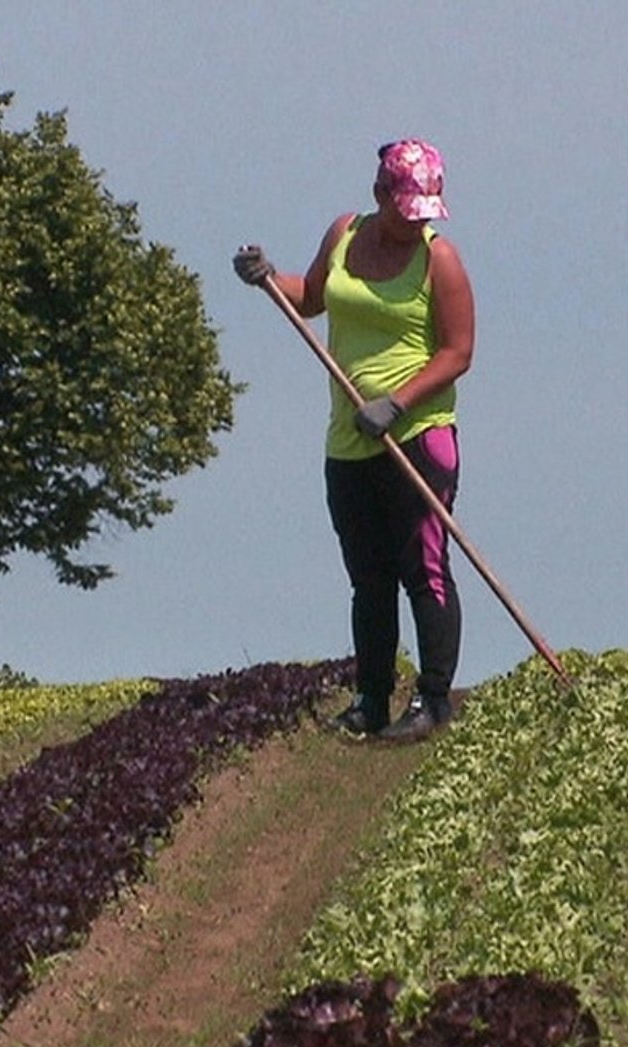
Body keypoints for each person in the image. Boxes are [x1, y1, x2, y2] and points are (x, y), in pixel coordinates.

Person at [233, 139, 474, 741]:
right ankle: (370, 700)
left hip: (417, 435)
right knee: (368, 575)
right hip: (349, 440)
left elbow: (458, 352)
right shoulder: (344, 233)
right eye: (406, 209)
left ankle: (434, 701)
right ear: (379, 197)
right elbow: (311, 298)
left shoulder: (438, 260)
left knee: (424, 567)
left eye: (425, 210)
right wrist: (267, 279)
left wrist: (397, 402)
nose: (415, 221)